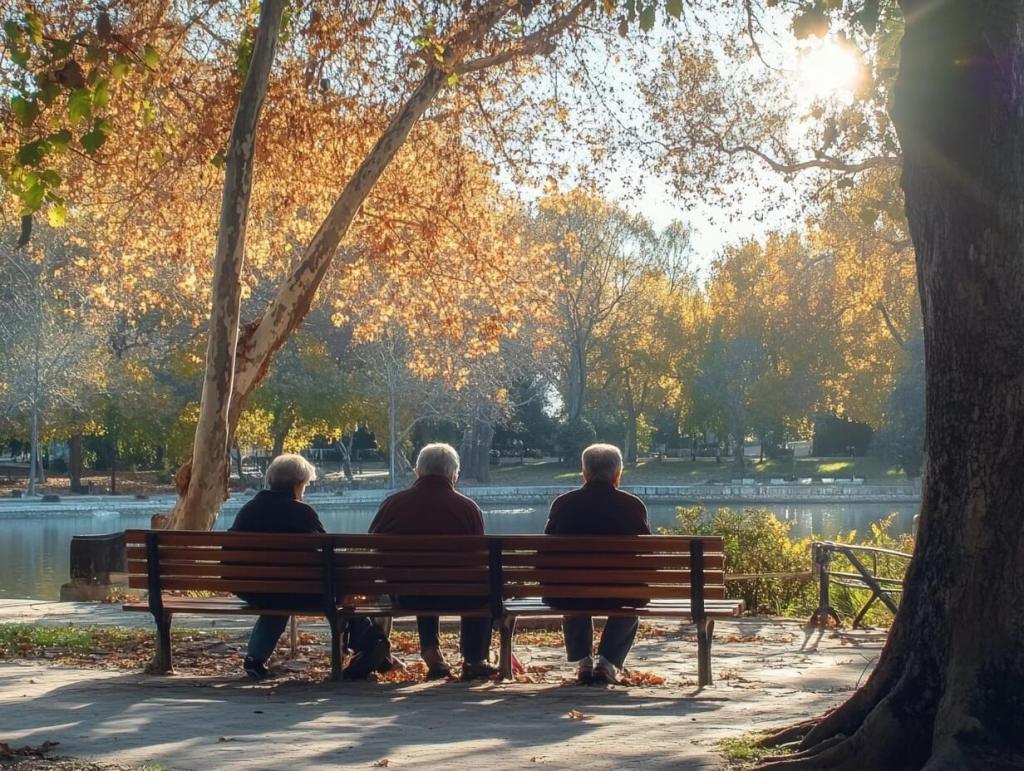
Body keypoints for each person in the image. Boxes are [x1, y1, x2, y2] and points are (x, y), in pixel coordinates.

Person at [344, 443, 498, 681]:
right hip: (460, 594)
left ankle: (432, 653)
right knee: (476, 587)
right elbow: (478, 561)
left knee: (422, 579)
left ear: (418, 472)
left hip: (405, 594)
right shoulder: (467, 508)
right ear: (453, 474)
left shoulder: (393, 504)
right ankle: (474, 659)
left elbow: (371, 548)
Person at [544, 443, 651, 685]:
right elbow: (645, 555)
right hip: (621, 594)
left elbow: (546, 552)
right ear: (618, 474)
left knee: (570, 588)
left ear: (585, 473)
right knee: (633, 598)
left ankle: (583, 663)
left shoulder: (563, 504)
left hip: (568, 593)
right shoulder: (632, 506)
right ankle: (607, 662)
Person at [229, 453, 325, 681]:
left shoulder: (248, 510)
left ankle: (255, 659)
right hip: (293, 590)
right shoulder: (302, 512)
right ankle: (372, 646)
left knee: (278, 597)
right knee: (332, 598)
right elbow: (326, 552)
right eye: (306, 484)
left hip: (251, 589)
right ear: (298, 484)